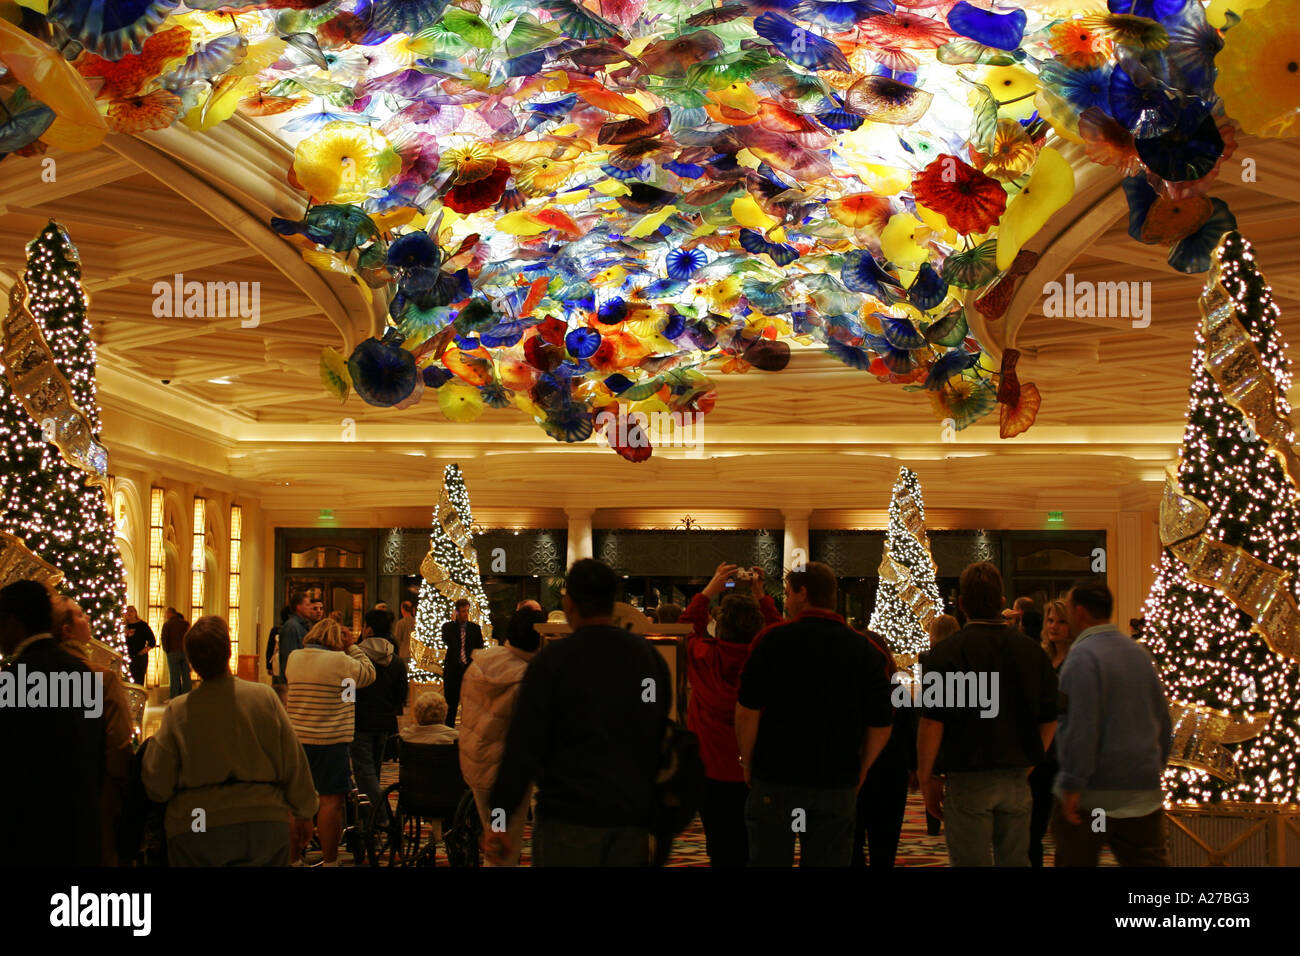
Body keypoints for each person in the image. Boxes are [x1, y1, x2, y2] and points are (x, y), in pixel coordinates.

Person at [486, 559, 670, 867]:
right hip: (630, 818)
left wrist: (499, 819)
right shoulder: (647, 658)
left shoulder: (553, 662)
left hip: (567, 818)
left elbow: (523, 745)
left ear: (569, 602)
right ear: (613, 601)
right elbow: (655, 730)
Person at [736, 561, 894, 867]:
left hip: (776, 776)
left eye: (788, 593)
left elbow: (747, 709)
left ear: (803, 593)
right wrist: (862, 768)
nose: (786, 601)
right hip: (836, 779)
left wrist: (747, 761)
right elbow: (881, 722)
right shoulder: (865, 650)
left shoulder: (772, 641)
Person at [142, 616, 319, 866]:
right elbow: (293, 761)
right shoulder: (263, 697)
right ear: (228, 653)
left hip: (198, 821)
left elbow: (158, 783)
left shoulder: (178, 711)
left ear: (191, 662)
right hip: (263, 820)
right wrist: (305, 812)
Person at [917, 562, 1059, 867]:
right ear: (1002, 602)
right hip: (1017, 775)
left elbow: (932, 722)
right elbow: (1050, 718)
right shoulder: (1032, 652)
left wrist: (927, 777)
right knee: (1015, 861)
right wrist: (1032, 760)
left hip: (967, 775)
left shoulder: (946, 653)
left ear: (962, 604)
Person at [1053, 581, 1172, 867]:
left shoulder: (1082, 657)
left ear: (1080, 612)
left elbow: (1081, 726)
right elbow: (1164, 721)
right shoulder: (1138, 654)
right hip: (1143, 792)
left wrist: (1073, 782)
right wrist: (1154, 767)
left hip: (1094, 797)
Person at [680, 562, 780, 867]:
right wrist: (761, 595)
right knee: (761, 846)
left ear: (720, 626)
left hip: (711, 772)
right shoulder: (769, 659)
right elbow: (778, 633)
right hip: (761, 769)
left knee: (721, 846)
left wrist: (710, 590)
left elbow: (685, 628)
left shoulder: (704, 655)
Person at [0, 580, 105, 867]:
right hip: (79, 830)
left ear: (13, 623)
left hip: (29, 837)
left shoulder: (13, 679)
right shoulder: (82, 674)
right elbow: (97, 754)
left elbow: (11, 764)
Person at [285, 617, 376, 865]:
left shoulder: (294, 658)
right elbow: (369, 673)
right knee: (330, 803)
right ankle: (330, 860)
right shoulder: (341, 661)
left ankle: (293, 859)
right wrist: (352, 646)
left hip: (298, 740)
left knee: (296, 803)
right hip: (331, 740)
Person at [459, 607, 543, 866]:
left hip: (475, 763)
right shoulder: (526, 678)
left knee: (494, 834)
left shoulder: (481, 662)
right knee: (502, 847)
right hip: (504, 776)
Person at [53, 597, 134, 866]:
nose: (87, 618)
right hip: (96, 795)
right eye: (79, 615)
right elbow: (118, 743)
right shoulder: (100, 678)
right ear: (66, 629)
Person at [853, 629, 915, 868]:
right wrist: (915, 767)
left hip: (855, 769)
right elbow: (909, 731)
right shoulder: (896, 689)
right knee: (885, 843)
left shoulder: (849, 689)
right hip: (891, 771)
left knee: (852, 842)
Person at [352, 609, 408, 835]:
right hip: (385, 722)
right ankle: (370, 822)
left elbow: (348, 691)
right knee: (373, 772)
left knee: (364, 772)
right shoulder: (396, 661)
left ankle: (383, 817)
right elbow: (401, 695)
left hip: (360, 720)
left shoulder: (356, 658)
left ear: (368, 629)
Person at [1028, 599, 1073, 867]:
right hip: (1042, 750)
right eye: (1050, 620)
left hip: (1066, 752)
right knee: (1032, 828)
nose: (1054, 626)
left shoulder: (1076, 660)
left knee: (1066, 832)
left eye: (1061, 621)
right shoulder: (1042, 656)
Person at [440, 598, 484, 727]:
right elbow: (450, 641)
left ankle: (468, 729)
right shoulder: (448, 627)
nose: (466, 614)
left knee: (469, 705)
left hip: (469, 671)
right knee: (451, 705)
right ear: (457, 612)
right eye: (463, 611)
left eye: (467, 611)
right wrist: (455, 624)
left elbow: (479, 649)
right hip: (453, 671)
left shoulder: (475, 628)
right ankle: (449, 731)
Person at [276, 590, 312, 689]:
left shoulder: (303, 625)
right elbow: (289, 658)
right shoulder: (291, 627)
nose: (310, 608)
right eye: (307, 605)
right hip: (294, 682)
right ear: (298, 607)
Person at [161, 606, 191, 698]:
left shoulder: (167, 625)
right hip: (185, 652)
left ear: (170, 613)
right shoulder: (186, 624)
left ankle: (174, 696)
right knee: (186, 675)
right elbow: (190, 637)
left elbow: (164, 639)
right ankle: (187, 696)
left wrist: (167, 650)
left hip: (173, 652)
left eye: (166, 613)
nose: (165, 615)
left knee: (174, 676)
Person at [123, 605, 155, 685]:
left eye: (131, 611)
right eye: (127, 611)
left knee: (138, 681)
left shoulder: (143, 625)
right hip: (126, 657)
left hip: (139, 658)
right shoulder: (123, 626)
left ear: (135, 613)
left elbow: (152, 641)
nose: (129, 613)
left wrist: (143, 651)